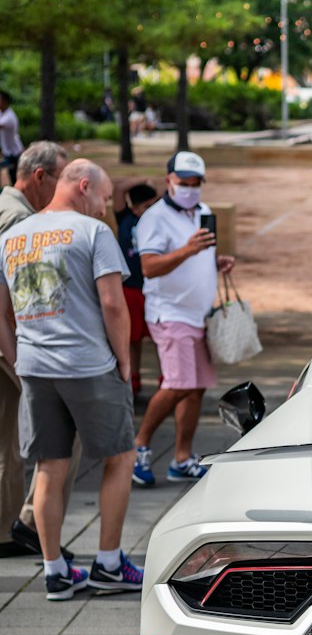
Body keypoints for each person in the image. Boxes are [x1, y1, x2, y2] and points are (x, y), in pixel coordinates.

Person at [0, 159, 142, 600]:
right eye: (103, 197)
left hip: (36, 368)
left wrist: (19, 358)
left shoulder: (11, 237)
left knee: (48, 468)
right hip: (87, 364)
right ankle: (109, 564)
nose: (104, 208)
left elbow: (3, 312)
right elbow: (113, 305)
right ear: (84, 186)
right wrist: (124, 362)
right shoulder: (93, 233)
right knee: (121, 458)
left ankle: (55, 572)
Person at [132, 151, 235, 486]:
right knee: (178, 384)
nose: (190, 190)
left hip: (199, 315)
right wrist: (189, 250)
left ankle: (182, 458)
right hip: (169, 312)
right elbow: (148, 266)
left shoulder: (202, 212)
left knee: (195, 389)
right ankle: (139, 447)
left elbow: (197, 256)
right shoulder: (153, 218)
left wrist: (215, 262)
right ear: (168, 180)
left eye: (195, 184)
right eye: (183, 183)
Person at [0, 142, 81, 559]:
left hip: (12, 341)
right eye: (62, 179)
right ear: (39, 177)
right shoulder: (18, 219)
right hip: (14, 344)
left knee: (11, 445)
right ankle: (29, 526)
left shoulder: (6, 208)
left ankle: (13, 530)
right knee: (56, 437)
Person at [113, 180, 159, 395]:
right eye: (146, 207)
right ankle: (134, 378)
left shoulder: (160, 221)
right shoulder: (125, 218)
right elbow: (119, 189)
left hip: (153, 288)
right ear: (134, 208)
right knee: (133, 338)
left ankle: (165, 378)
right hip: (130, 288)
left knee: (160, 337)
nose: (151, 211)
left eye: (154, 205)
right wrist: (142, 181)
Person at [0, 91, 24, 187]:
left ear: (5, 101)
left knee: (16, 178)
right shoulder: (2, 113)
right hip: (8, 152)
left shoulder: (9, 117)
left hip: (15, 153)